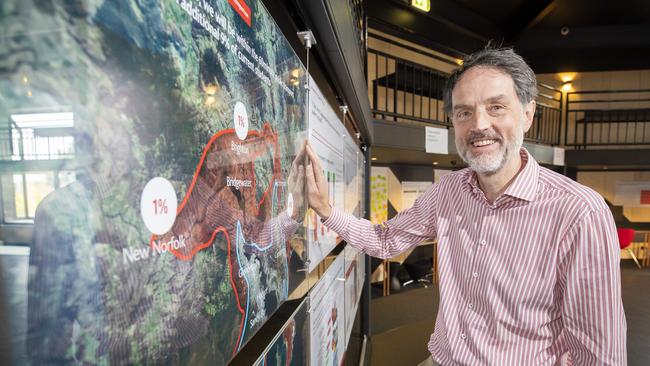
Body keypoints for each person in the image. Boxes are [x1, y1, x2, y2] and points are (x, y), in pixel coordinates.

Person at [303, 47, 627, 365]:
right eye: (463, 112)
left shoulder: (580, 212)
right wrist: (325, 209)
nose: (478, 125)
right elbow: (386, 240)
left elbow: (599, 355)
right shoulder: (448, 191)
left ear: (528, 114)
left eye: (496, 107)